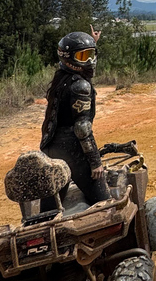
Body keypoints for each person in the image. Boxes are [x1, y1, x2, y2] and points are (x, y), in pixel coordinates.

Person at [39, 25, 110, 211]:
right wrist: (95, 162)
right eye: (82, 56)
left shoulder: (61, 78)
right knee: (105, 202)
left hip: (51, 147)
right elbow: (82, 128)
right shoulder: (81, 87)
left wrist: (91, 42)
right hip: (72, 150)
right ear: (68, 58)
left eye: (90, 55)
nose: (89, 61)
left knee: (50, 210)